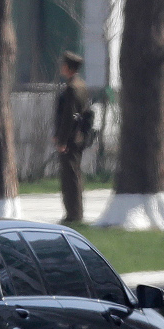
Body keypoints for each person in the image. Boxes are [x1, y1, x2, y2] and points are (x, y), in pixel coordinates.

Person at [54, 51, 89, 223]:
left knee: (70, 178)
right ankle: (76, 212)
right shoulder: (80, 85)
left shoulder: (71, 88)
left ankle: (73, 214)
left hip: (71, 140)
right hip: (78, 137)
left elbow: (68, 117)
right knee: (74, 176)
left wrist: (62, 140)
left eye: (63, 65)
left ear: (68, 67)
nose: (61, 67)